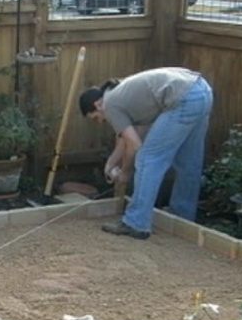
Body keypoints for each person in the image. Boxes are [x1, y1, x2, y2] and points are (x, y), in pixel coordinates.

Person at [79, 67, 213, 240]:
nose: (101, 121)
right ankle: (182, 217)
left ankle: (136, 223)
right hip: (202, 91)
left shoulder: (110, 104)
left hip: (183, 98)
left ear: (98, 104)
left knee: (147, 159)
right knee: (188, 162)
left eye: (96, 117)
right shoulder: (120, 93)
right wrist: (111, 164)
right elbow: (129, 136)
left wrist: (125, 172)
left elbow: (135, 145)